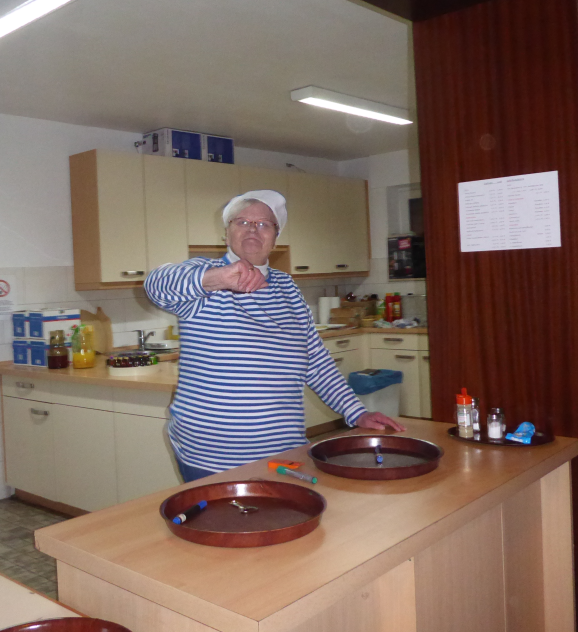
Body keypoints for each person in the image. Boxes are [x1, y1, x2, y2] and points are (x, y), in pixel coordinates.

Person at [144, 189, 404, 482]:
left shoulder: (287, 288)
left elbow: (315, 361)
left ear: (275, 238)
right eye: (242, 222)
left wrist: (356, 412)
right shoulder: (204, 278)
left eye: (263, 224)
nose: (252, 229)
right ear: (226, 234)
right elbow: (156, 285)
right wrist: (218, 278)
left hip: (282, 450)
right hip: (210, 457)